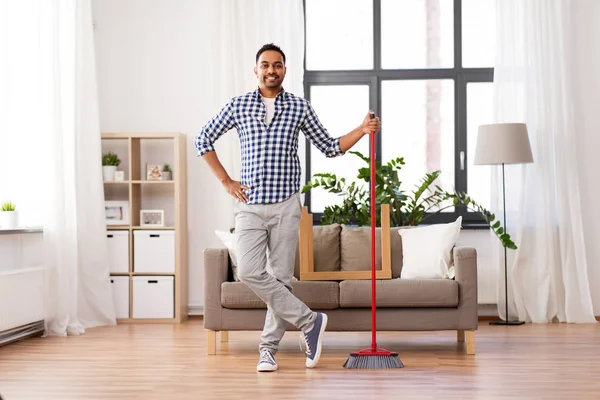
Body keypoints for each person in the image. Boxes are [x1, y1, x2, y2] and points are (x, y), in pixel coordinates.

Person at [195, 43, 380, 372]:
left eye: (277, 65)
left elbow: (329, 146)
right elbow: (203, 139)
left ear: (285, 69)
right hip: (250, 207)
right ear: (256, 70)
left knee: (280, 279)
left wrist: (362, 130)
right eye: (264, 65)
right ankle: (310, 321)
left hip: (286, 206)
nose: (271, 70)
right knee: (249, 272)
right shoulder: (238, 106)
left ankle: (268, 350)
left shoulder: (298, 107)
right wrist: (226, 181)